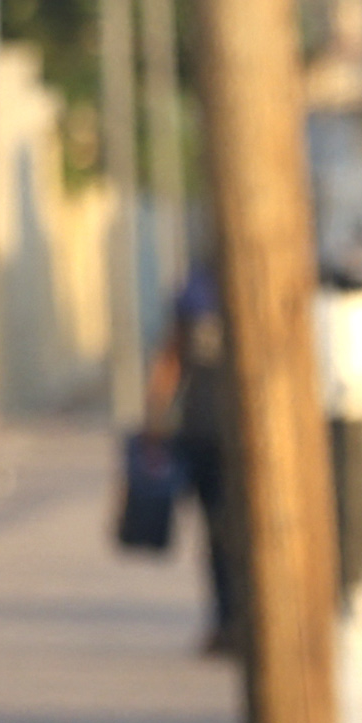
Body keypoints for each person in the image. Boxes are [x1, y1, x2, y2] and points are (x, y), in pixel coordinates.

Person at [144, 262, 242, 657]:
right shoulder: (197, 291)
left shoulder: (200, 288)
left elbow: (170, 357)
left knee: (227, 534)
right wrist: (154, 419)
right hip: (208, 433)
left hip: (230, 435)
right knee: (221, 533)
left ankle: (234, 621)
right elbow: (172, 357)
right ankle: (227, 621)